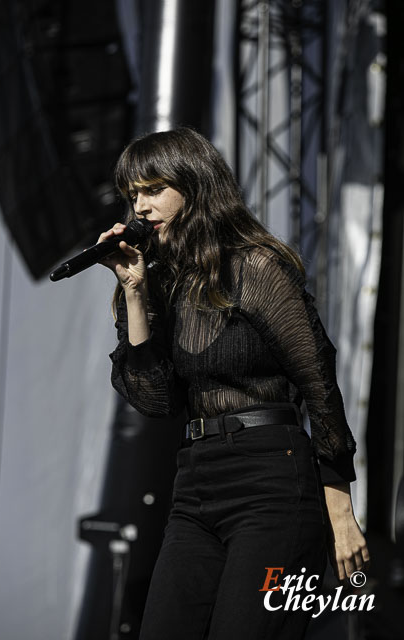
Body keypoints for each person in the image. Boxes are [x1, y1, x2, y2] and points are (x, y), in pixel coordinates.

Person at [98, 127, 369, 640]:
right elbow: (155, 400)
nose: (141, 207)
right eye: (133, 194)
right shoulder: (160, 282)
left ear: (194, 186)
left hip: (272, 478)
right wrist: (134, 292)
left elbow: (318, 381)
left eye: (154, 189)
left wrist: (340, 510)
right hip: (197, 483)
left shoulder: (256, 266)